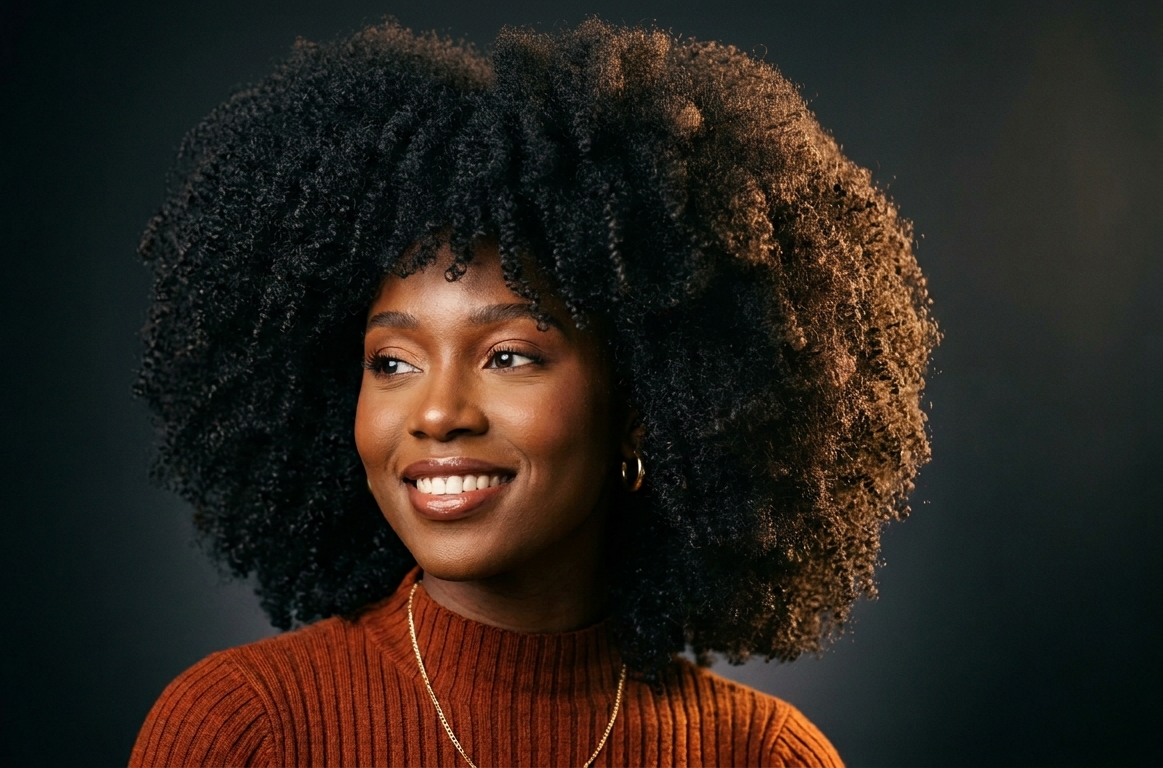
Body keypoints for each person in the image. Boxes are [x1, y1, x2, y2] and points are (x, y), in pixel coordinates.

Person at [129, 18, 937, 768]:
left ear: (641, 405)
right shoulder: (245, 732)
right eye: (393, 362)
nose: (439, 413)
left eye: (510, 355)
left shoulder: (761, 756)